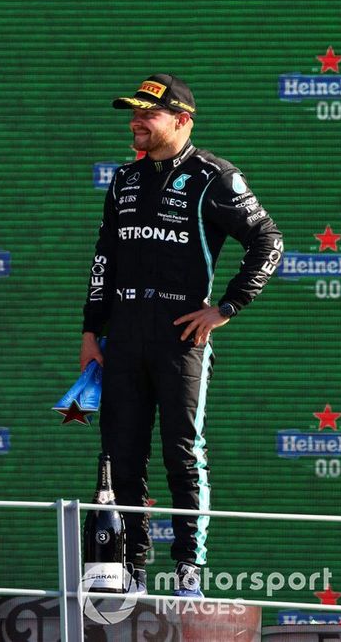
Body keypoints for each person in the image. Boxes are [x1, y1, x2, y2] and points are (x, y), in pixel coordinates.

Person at [80, 74, 283, 598]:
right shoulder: (123, 178)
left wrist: (226, 308)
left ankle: (188, 576)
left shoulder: (214, 175)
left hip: (180, 339)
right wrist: (90, 332)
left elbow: (268, 239)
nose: (136, 121)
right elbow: (106, 259)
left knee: (182, 453)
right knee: (119, 455)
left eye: (148, 114)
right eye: (134, 112)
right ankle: (129, 573)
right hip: (122, 335)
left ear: (182, 120)